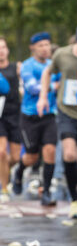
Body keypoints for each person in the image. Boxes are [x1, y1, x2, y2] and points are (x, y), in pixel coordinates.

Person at [37, 23, 77, 219]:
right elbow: (47, 72)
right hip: (66, 112)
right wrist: (43, 97)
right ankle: (73, 199)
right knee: (69, 154)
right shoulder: (62, 54)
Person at [13, 32, 58, 206]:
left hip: (49, 115)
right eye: (41, 45)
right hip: (30, 116)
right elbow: (32, 88)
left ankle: (46, 191)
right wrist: (54, 86)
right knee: (31, 157)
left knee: (50, 152)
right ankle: (19, 172)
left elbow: (65, 82)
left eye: (47, 44)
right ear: (33, 48)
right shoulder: (27, 66)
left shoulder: (53, 65)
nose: (45, 48)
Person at [0, 37, 20, 202]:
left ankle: (4, 170)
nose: (1, 51)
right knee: (1, 152)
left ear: (7, 49)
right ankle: (4, 189)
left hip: (15, 115)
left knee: (15, 158)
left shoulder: (16, 68)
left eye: (3, 47)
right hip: (0, 117)